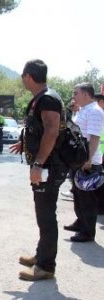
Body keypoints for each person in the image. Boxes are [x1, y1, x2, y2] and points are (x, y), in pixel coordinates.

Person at [10, 59, 68, 281]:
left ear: (28, 77)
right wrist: (25, 144)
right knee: (43, 214)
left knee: (46, 216)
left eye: (22, 76)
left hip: (49, 167)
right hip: (47, 165)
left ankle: (46, 267)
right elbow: (40, 129)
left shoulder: (48, 99)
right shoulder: (43, 98)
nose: (22, 80)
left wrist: (38, 163)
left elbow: (52, 131)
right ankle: (41, 255)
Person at [64, 83, 104, 242]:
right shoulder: (82, 110)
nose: (74, 96)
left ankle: (87, 232)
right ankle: (80, 222)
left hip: (88, 161)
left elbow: (94, 137)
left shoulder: (95, 111)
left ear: (86, 94)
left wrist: (88, 159)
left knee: (87, 199)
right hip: (77, 159)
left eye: (76, 93)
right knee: (78, 194)